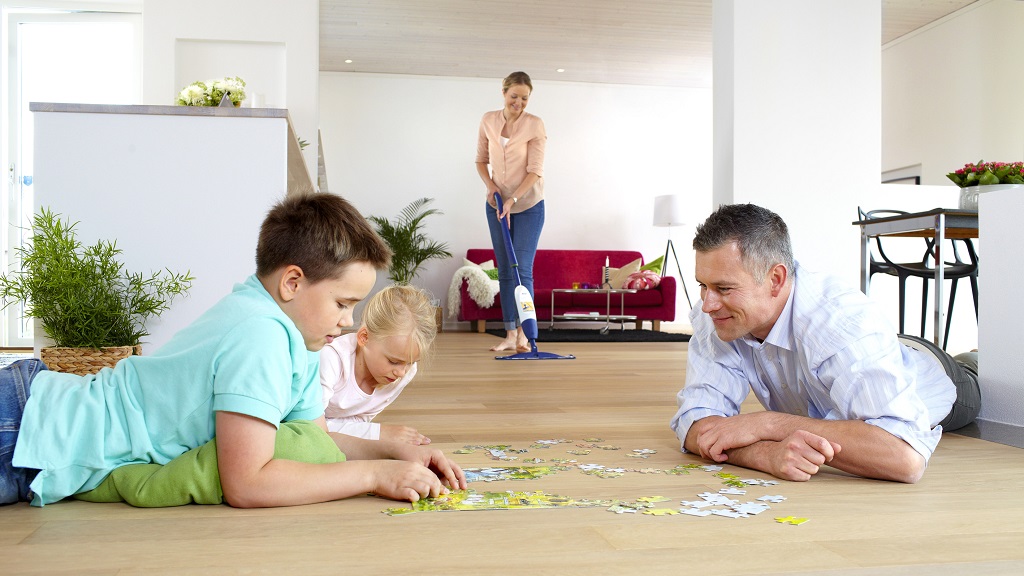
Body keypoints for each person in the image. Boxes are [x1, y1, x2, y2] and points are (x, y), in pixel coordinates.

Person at [1, 193, 465, 507]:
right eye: (342, 304)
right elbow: (248, 482)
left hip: (35, 423)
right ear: (292, 282)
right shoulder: (259, 333)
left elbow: (317, 438)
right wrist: (373, 478)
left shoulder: (300, 336)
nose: (348, 321)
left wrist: (390, 454)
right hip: (28, 429)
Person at [670, 203, 980, 484]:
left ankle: (973, 359)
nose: (708, 303)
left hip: (938, 373)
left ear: (775, 279)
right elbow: (698, 423)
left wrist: (768, 425)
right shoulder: (719, 314)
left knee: (979, 374)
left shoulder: (843, 323)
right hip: (869, 353)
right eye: (703, 285)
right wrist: (764, 455)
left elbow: (904, 458)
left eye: (724, 288)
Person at [475, 70, 547, 352]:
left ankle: (525, 334)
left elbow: (535, 171)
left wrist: (513, 199)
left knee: (522, 270)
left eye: (525, 98)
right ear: (504, 93)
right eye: (514, 96)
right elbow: (481, 161)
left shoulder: (535, 125)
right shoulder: (488, 120)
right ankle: (508, 334)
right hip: (495, 205)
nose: (519, 102)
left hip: (528, 206)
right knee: (505, 270)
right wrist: (492, 187)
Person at [320, 284, 435, 445]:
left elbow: (359, 422)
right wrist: (379, 432)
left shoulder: (405, 372)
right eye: (393, 361)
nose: (401, 373)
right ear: (364, 337)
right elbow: (310, 427)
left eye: (410, 363)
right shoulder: (331, 359)